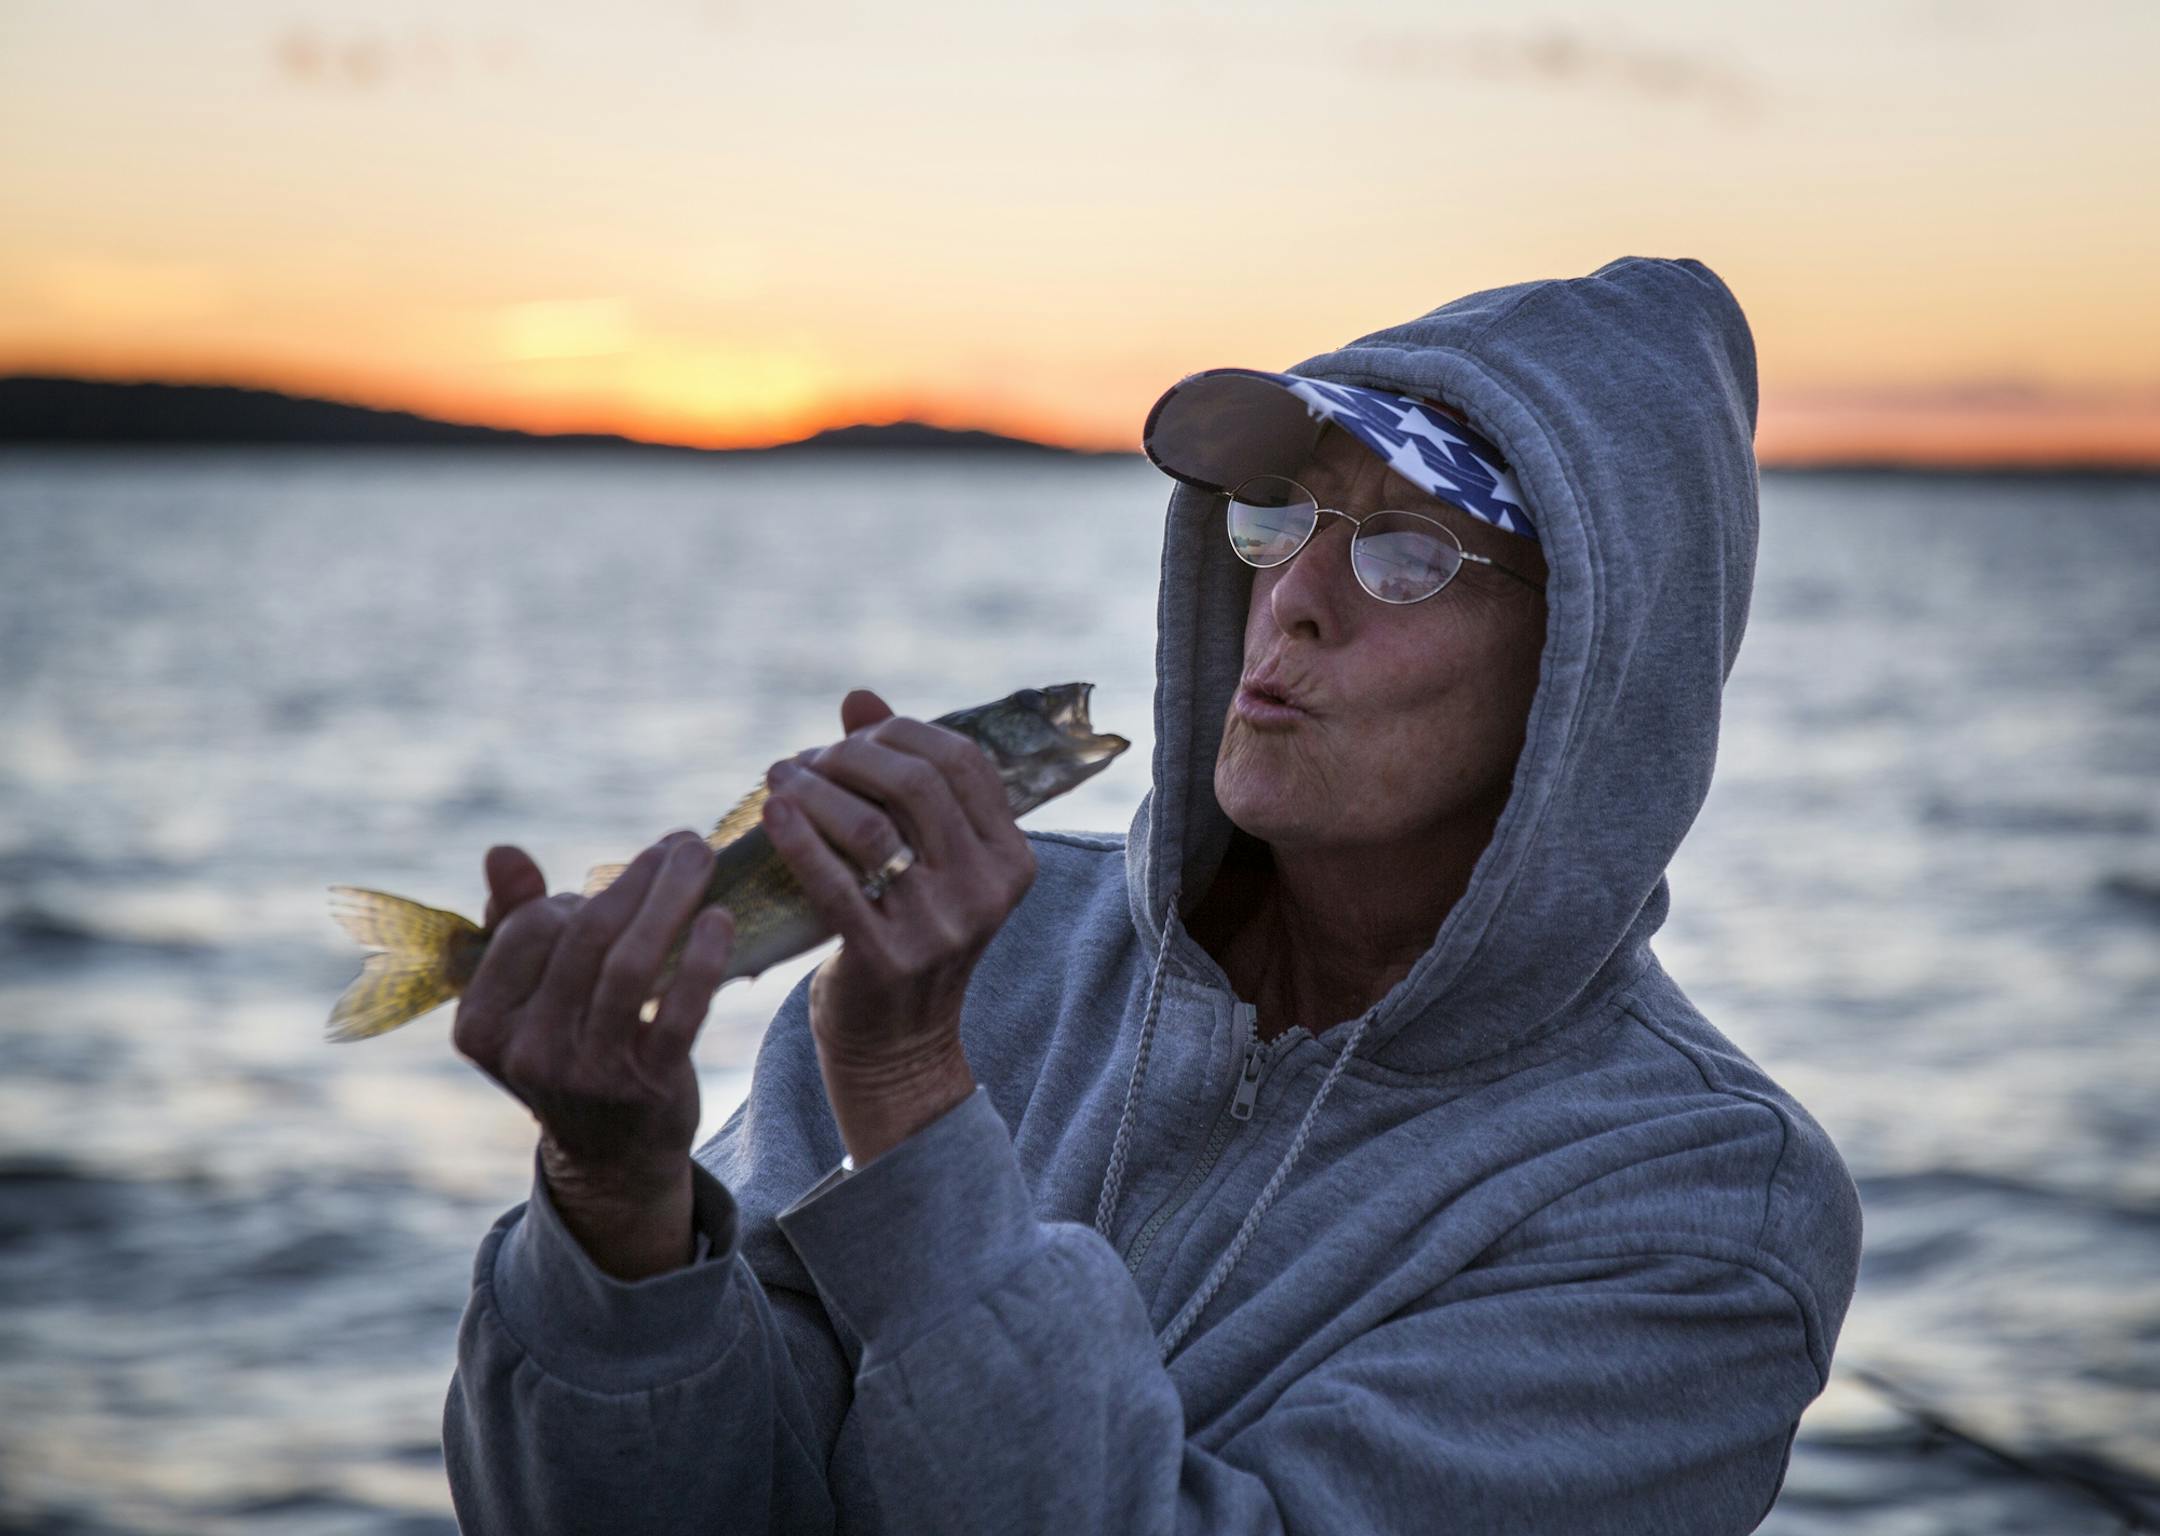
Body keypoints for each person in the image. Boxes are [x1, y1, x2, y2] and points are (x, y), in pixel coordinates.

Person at [442, 255, 1862, 1534]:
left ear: (1594, 676)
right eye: (1285, 512)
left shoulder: (1702, 1214)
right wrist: (617, 1206)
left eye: (1412, 545)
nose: (1296, 597)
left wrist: (913, 1095)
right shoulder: (975, 950)